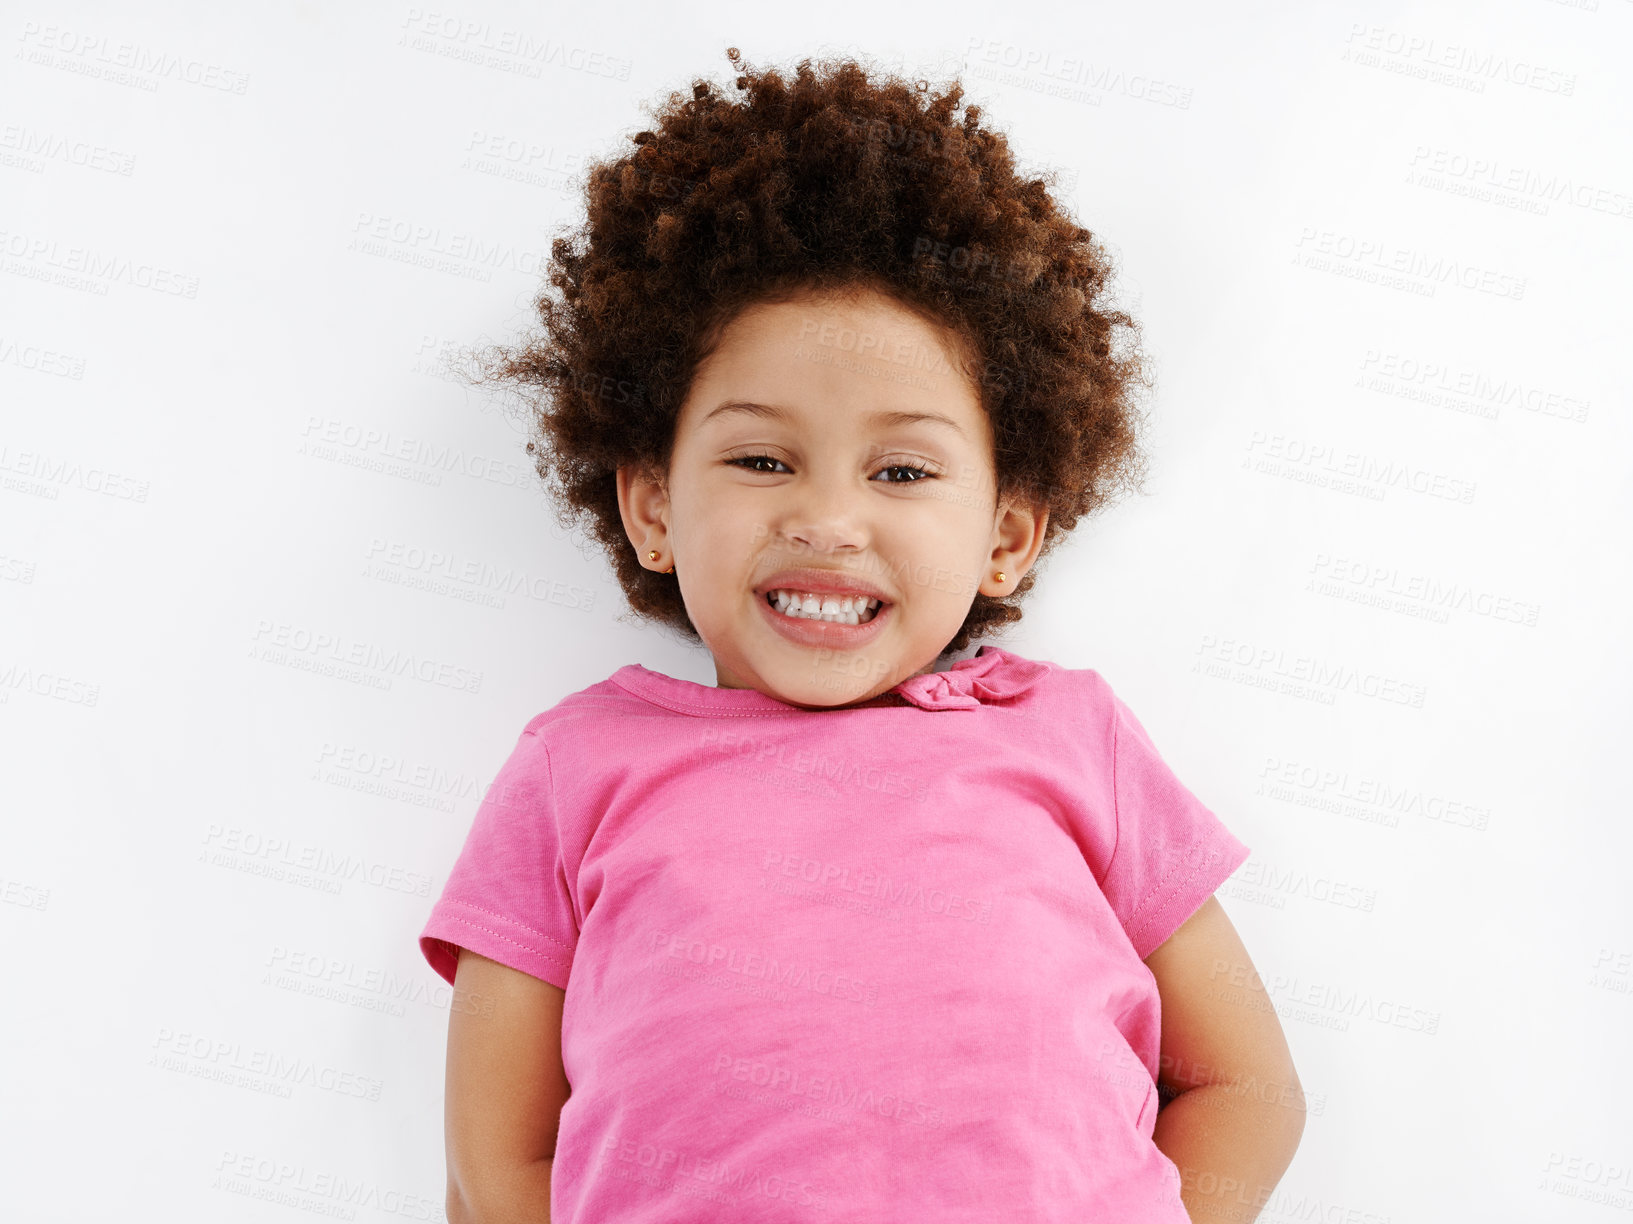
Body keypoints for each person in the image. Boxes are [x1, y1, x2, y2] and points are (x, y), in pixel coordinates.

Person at [419, 47, 1304, 1223]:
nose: (827, 519)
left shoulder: (1071, 739)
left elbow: (1247, 1083)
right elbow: (494, 1168)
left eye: (899, 469)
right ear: (651, 507)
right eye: (760, 459)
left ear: (1005, 536)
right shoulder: (572, 769)